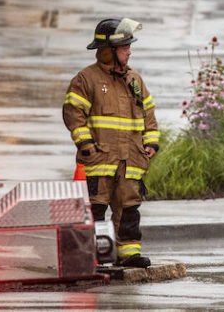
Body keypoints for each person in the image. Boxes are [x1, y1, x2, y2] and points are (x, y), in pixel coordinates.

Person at [63, 18, 160, 268]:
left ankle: (129, 254)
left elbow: (149, 115)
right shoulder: (86, 79)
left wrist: (151, 144)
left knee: (129, 211)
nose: (129, 51)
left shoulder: (135, 80)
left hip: (131, 162)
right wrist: (88, 148)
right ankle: (92, 255)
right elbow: (74, 115)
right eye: (125, 47)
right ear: (109, 51)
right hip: (99, 161)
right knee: (95, 211)